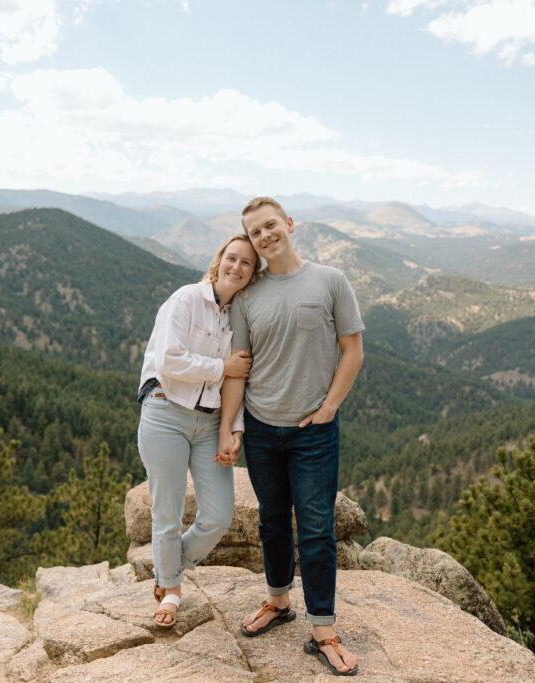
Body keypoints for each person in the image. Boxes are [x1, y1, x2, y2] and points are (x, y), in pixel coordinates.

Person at [219, 197, 364, 676]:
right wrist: (231, 428)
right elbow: (239, 369)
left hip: (314, 433)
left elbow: (353, 350)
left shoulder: (330, 281)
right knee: (273, 521)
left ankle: (323, 630)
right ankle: (278, 602)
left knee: (318, 529)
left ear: (289, 225)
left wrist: (329, 407)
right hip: (261, 428)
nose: (264, 236)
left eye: (270, 225)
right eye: (255, 232)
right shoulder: (247, 296)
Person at [136, 233, 261, 627]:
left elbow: (237, 383)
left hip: (210, 423)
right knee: (167, 510)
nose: (237, 267)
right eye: (232, 258)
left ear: (252, 274)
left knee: (219, 516)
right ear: (219, 259)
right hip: (165, 412)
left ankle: (167, 564)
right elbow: (169, 360)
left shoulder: (238, 316)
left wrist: (234, 430)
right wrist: (222, 367)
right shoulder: (186, 299)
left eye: (247, 263)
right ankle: (170, 590)